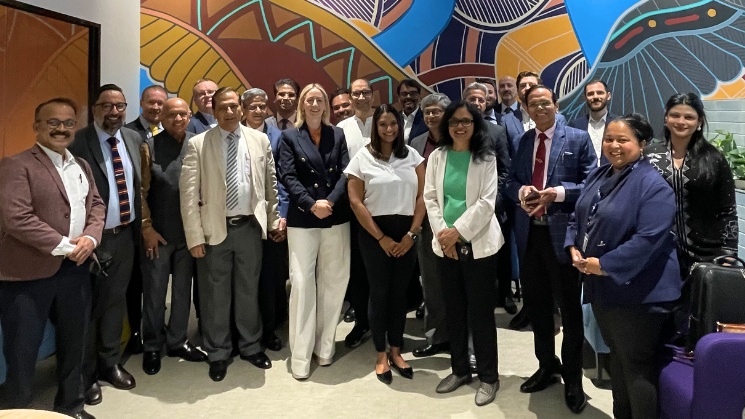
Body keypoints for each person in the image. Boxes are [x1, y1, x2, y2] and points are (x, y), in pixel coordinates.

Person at [566, 114, 682, 419]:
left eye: (623, 140)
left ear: (642, 144)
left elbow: (648, 240)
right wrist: (573, 246)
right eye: (608, 139)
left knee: (636, 368)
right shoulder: (599, 174)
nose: (614, 146)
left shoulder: (653, 186)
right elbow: (577, 216)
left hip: (640, 296)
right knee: (617, 360)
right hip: (604, 288)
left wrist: (603, 264)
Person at [0, 98, 105, 419]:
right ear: (37, 127)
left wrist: (90, 237)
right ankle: (17, 411)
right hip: (27, 274)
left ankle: (70, 405)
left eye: (68, 123)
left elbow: (97, 205)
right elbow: (16, 218)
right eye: (53, 122)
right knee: (22, 351)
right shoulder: (16, 165)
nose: (61, 129)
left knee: (75, 344)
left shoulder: (81, 165)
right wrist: (65, 245)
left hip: (75, 270)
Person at [505, 84, 596, 414]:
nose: (540, 108)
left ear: (556, 105)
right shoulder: (523, 141)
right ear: (526, 108)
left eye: (546, 103)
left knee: (570, 313)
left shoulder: (577, 138)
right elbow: (510, 181)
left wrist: (556, 193)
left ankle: (573, 380)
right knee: (539, 309)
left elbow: (591, 184)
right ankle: (547, 366)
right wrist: (522, 190)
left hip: (563, 238)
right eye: (533, 104)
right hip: (530, 238)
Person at [179, 87, 280, 382]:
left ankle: (250, 346)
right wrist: (194, 236)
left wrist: (273, 221)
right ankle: (218, 352)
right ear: (214, 109)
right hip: (214, 230)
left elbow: (269, 184)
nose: (229, 112)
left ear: (241, 108)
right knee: (215, 296)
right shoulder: (199, 144)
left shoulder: (259, 140)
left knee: (249, 291)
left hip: (249, 227)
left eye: (234, 106)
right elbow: (188, 195)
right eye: (223, 107)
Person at [424, 100, 504, 406]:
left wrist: (457, 232)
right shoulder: (437, 156)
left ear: (475, 125)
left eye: (466, 121)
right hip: (446, 246)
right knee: (453, 311)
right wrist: (445, 236)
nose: (460, 126)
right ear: (447, 125)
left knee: (481, 313)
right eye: (455, 121)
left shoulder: (485, 158)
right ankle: (459, 370)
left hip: (479, 244)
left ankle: (488, 377)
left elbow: (486, 202)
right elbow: (430, 197)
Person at [69, 84, 143, 405]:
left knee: (115, 304)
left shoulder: (132, 138)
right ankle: (85, 376)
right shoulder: (78, 143)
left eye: (120, 106)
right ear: (95, 108)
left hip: (125, 235)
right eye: (107, 106)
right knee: (89, 309)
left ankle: (109, 363)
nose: (114, 112)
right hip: (92, 239)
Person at [645, 92, 738, 332]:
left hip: (706, 252)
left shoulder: (714, 158)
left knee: (700, 318)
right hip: (660, 252)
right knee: (661, 318)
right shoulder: (649, 156)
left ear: (699, 122)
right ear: (665, 118)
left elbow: (727, 210)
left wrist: (728, 252)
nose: (681, 121)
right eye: (675, 115)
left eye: (689, 117)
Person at [345, 104, 425, 384]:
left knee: (400, 294)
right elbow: (355, 201)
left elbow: (422, 198)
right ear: (375, 127)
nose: (389, 129)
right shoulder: (361, 158)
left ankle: (396, 349)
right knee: (379, 294)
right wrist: (381, 237)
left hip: (407, 234)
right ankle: (381, 354)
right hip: (373, 234)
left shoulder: (413, 156)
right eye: (383, 124)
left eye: (393, 124)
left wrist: (411, 234)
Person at [278, 83, 352, 380]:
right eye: (309, 99)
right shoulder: (289, 137)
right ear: (302, 104)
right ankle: (300, 355)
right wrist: (311, 204)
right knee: (302, 285)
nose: (314, 104)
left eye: (319, 99)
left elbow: (348, 172)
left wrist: (330, 201)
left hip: (335, 216)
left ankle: (324, 348)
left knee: (334, 282)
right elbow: (287, 175)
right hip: (303, 218)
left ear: (326, 105)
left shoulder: (338, 134)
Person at [140, 97, 207, 376]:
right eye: (171, 115)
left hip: (189, 235)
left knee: (183, 293)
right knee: (155, 294)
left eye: (182, 114)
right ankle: (153, 345)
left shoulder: (200, 144)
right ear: (161, 118)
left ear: (190, 115)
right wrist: (147, 228)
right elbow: (140, 193)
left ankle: (177, 341)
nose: (178, 119)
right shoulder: (149, 147)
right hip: (159, 235)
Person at [241, 87, 289, 351]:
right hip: (245, 220)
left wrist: (281, 217)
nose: (258, 111)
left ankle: (269, 331)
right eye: (252, 107)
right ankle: (246, 330)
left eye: (262, 107)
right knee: (247, 279)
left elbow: (283, 180)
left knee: (271, 278)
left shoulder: (280, 137)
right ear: (243, 109)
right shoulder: (233, 134)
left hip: (272, 218)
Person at [123, 84, 168, 355]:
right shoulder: (128, 134)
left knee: (156, 284)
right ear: (142, 103)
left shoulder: (172, 133)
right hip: (135, 223)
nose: (156, 108)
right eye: (151, 102)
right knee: (133, 284)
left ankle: (155, 331)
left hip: (164, 222)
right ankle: (134, 334)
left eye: (161, 103)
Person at [410, 93, 451, 358]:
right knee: (432, 283)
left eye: (436, 111)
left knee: (459, 283)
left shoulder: (458, 138)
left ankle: (465, 340)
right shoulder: (416, 142)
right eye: (427, 112)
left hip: (455, 220)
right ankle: (436, 337)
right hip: (426, 221)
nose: (431, 117)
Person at [336, 78, 375, 348]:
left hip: (384, 207)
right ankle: (362, 322)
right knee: (358, 269)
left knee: (382, 269)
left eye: (365, 92)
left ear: (373, 95)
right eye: (355, 93)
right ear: (349, 97)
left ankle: (384, 322)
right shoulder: (341, 129)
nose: (360, 97)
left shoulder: (384, 121)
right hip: (352, 208)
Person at [568, 79, 618, 164]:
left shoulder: (620, 124)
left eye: (600, 93)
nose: (595, 97)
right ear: (585, 98)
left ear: (608, 96)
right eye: (590, 94)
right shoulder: (575, 126)